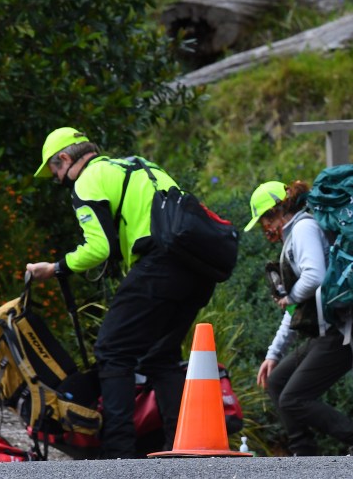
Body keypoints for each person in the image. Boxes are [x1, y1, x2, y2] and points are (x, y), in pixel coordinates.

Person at [25, 127, 217, 458]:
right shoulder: (139, 164)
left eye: (55, 170)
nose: (58, 179)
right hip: (198, 268)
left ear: (66, 159)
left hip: (159, 265)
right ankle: (181, 447)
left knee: (112, 350)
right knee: (160, 354)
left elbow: (98, 247)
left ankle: (119, 454)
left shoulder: (87, 180)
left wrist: (56, 268)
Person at [248, 180, 353, 456]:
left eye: (264, 221)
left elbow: (315, 277)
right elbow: (297, 311)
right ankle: (304, 454)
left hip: (347, 330)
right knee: (277, 382)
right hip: (330, 331)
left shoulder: (302, 229)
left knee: (294, 398)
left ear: (276, 212)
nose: (265, 230)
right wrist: (273, 354)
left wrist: (290, 296)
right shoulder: (295, 235)